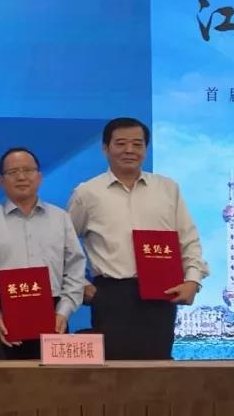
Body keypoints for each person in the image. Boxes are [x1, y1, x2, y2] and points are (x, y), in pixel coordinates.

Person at [68, 117, 208, 359]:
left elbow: (188, 239)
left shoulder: (167, 188)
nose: (129, 150)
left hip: (162, 292)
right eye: (121, 143)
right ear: (105, 148)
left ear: (146, 148)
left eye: (137, 144)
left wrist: (193, 281)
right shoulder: (87, 193)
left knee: (157, 368)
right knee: (113, 370)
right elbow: (64, 247)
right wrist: (80, 285)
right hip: (111, 295)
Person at [0, 147, 86, 359]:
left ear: (39, 177)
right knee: (3, 379)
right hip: (3, 317)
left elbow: (75, 269)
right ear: (1, 181)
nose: (21, 177)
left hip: (53, 315)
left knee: (53, 379)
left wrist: (63, 312)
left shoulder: (60, 218)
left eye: (28, 170)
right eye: (13, 172)